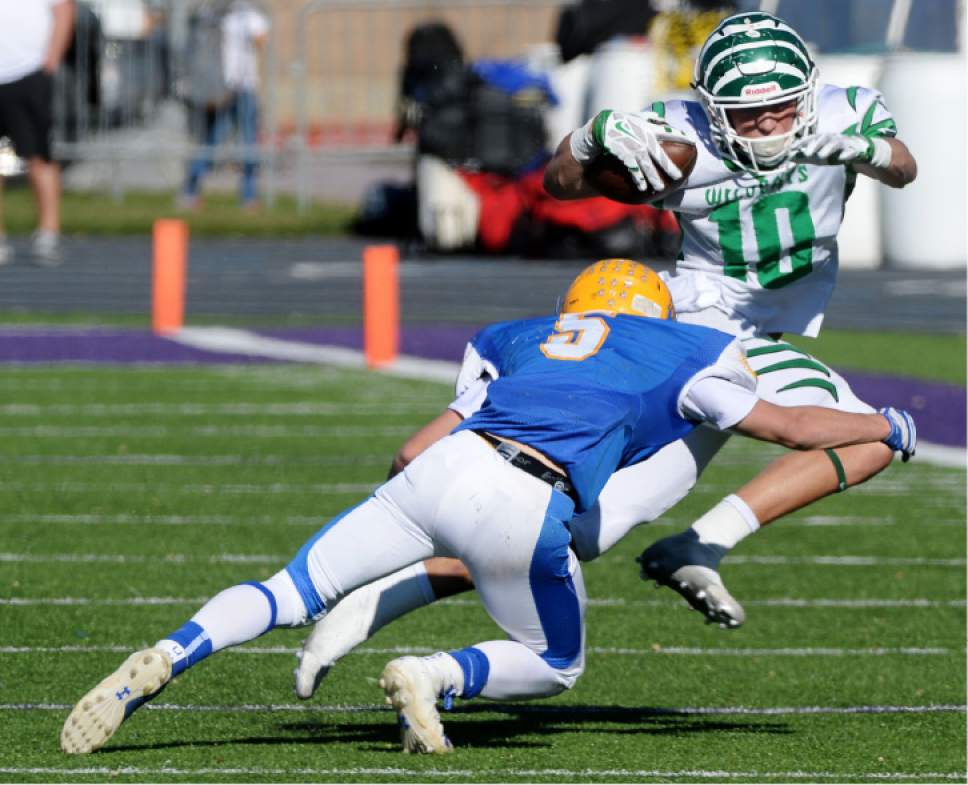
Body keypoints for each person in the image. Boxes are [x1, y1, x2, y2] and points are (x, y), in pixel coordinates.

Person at [290, 11, 919, 698]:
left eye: (782, 109)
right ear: (713, 110)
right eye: (748, 114)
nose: (769, 125)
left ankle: (695, 544)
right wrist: (589, 140)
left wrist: (863, 149)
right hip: (689, 333)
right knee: (560, 512)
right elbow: (559, 184)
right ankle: (374, 596)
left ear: (808, 93)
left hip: (761, 338)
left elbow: (904, 168)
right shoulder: (684, 136)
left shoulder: (843, 111)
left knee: (587, 530)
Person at [61, 261, 916, 756]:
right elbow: (795, 425)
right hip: (530, 497)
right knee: (556, 664)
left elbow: (410, 448)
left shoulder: (516, 335)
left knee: (286, 588)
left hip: (441, 469)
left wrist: (415, 516)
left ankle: (175, 649)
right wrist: (890, 423)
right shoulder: (688, 343)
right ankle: (434, 674)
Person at [0, 0, 74, 266]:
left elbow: (64, 10)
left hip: (28, 73)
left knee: (39, 155)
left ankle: (48, 233)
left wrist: (49, 64)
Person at [179, 0, 268, 210]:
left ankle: (192, 191)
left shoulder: (227, 14)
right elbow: (262, 40)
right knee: (230, 139)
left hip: (233, 85)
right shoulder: (236, 15)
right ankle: (245, 196)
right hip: (232, 86)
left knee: (223, 138)